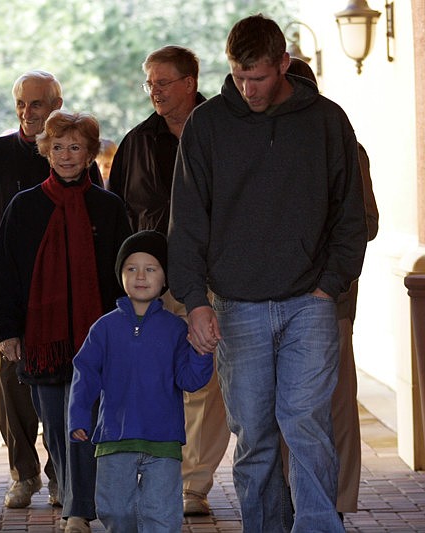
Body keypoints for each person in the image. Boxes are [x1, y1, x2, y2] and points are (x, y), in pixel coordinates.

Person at [168, 14, 368, 531]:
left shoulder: (326, 121)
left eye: (257, 77)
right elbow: (186, 221)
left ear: (283, 63)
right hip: (236, 306)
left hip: (310, 303)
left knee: (306, 426)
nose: (248, 89)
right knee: (254, 436)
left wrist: (330, 284)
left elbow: (351, 213)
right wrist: (196, 302)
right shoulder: (207, 125)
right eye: (239, 77)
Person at [0, 110, 131, 533]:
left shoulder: (108, 207)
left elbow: (123, 275)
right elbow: (5, 272)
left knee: (87, 424)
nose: (66, 155)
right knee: (57, 429)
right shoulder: (24, 206)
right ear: (46, 151)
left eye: (76, 147)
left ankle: (78, 509)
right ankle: (73, 499)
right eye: (59, 147)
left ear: (89, 155)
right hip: (42, 340)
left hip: (96, 340)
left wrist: (128, 329)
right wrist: (6, 330)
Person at [0, 70, 97, 510]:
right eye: (21, 103)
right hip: (10, 292)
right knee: (12, 387)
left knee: (65, 386)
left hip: (68, 296)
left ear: (56, 104)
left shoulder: (72, 155)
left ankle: (60, 475)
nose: (27, 111)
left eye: (37, 103)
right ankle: (23, 473)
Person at [108, 45, 230, 516]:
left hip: (214, 276)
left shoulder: (224, 128)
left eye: (163, 82)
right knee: (158, 378)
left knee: (206, 382)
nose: (154, 91)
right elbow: (120, 214)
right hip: (154, 282)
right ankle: (161, 474)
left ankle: (193, 485)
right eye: (150, 83)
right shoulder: (137, 142)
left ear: (190, 82)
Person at [68, 230, 214, 532]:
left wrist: (202, 352)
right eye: (131, 268)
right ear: (120, 274)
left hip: (164, 440)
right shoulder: (103, 328)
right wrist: (79, 416)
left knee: (162, 514)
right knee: (114, 510)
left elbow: (190, 380)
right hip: (114, 438)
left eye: (151, 269)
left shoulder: (176, 330)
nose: (141, 276)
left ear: (165, 278)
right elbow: (85, 373)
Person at [286, 57, 380, 518]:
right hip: (273, 300)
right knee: (284, 407)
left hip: (331, 302)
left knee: (336, 404)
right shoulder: (263, 145)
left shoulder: (346, 146)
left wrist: (324, 275)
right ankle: (291, 500)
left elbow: (367, 222)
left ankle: (336, 504)